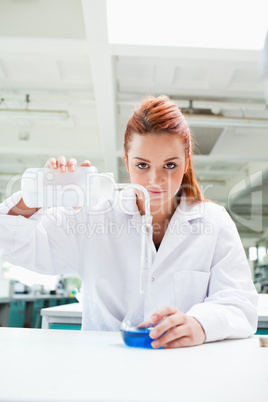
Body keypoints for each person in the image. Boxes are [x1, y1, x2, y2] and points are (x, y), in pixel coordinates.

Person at [0, 95, 258, 348]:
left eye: (170, 165)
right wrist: (37, 195)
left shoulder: (214, 222)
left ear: (186, 161)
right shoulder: (92, 217)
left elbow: (239, 303)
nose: (156, 180)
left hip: (182, 368)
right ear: (126, 161)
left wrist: (199, 325)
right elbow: (11, 244)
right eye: (143, 165)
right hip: (107, 371)